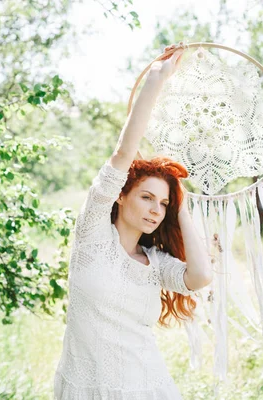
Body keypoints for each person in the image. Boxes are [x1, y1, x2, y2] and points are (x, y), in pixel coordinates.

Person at [54, 43, 212, 399]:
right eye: (146, 197)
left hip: (146, 387)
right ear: (121, 195)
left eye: (163, 204)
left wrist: (181, 204)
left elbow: (200, 277)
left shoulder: (155, 263)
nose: (156, 210)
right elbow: (124, 152)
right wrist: (158, 76)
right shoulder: (92, 235)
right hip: (85, 389)